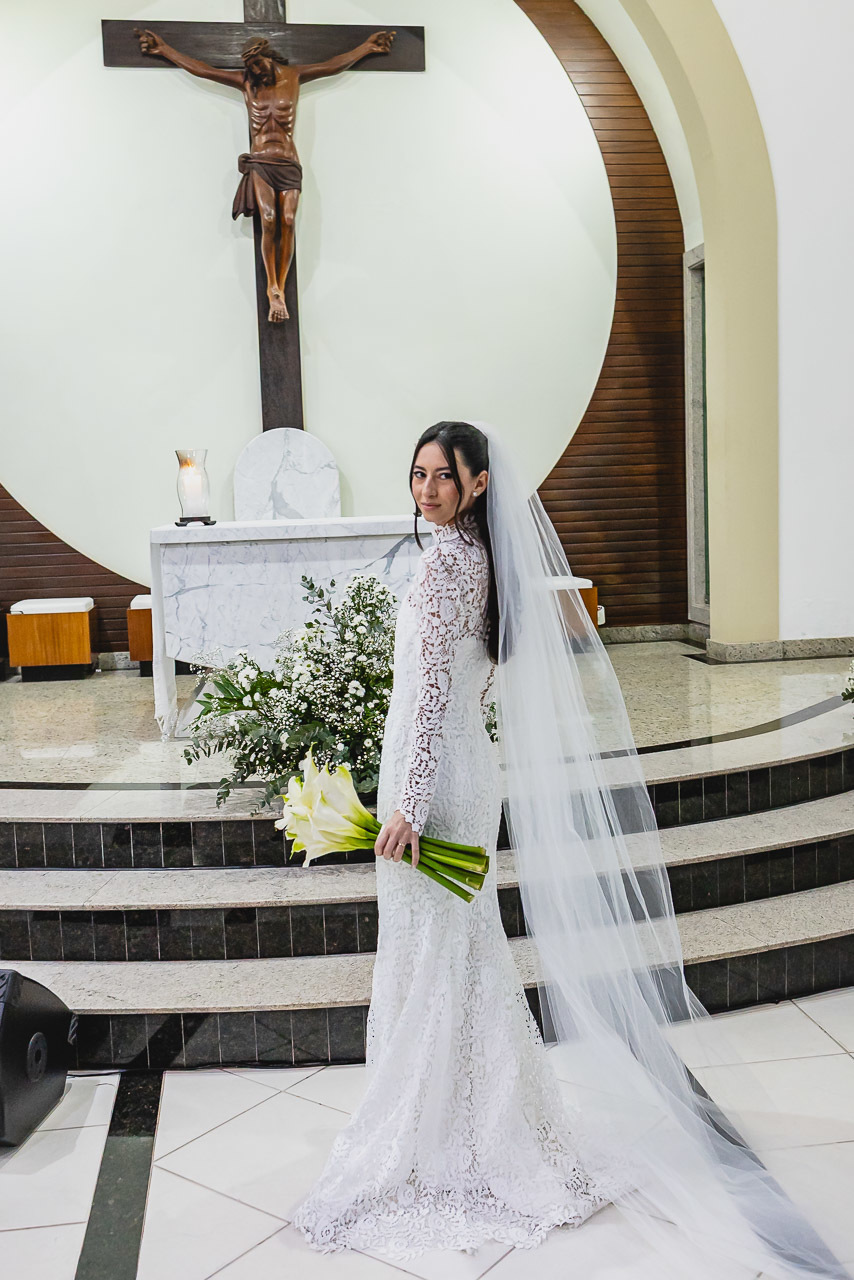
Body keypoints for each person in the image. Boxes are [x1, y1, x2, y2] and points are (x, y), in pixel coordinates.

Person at [294, 422, 850, 1278]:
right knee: (460, 949)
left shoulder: (445, 564)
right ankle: (482, 1120)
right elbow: (461, 684)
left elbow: (433, 691)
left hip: (433, 784)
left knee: (433, 950)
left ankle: (438, 1130)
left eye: (443, 476)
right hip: (466, 773)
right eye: (418, 474)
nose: (426, 490)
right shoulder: (486, 560)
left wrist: (405, 804)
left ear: (479, 483)